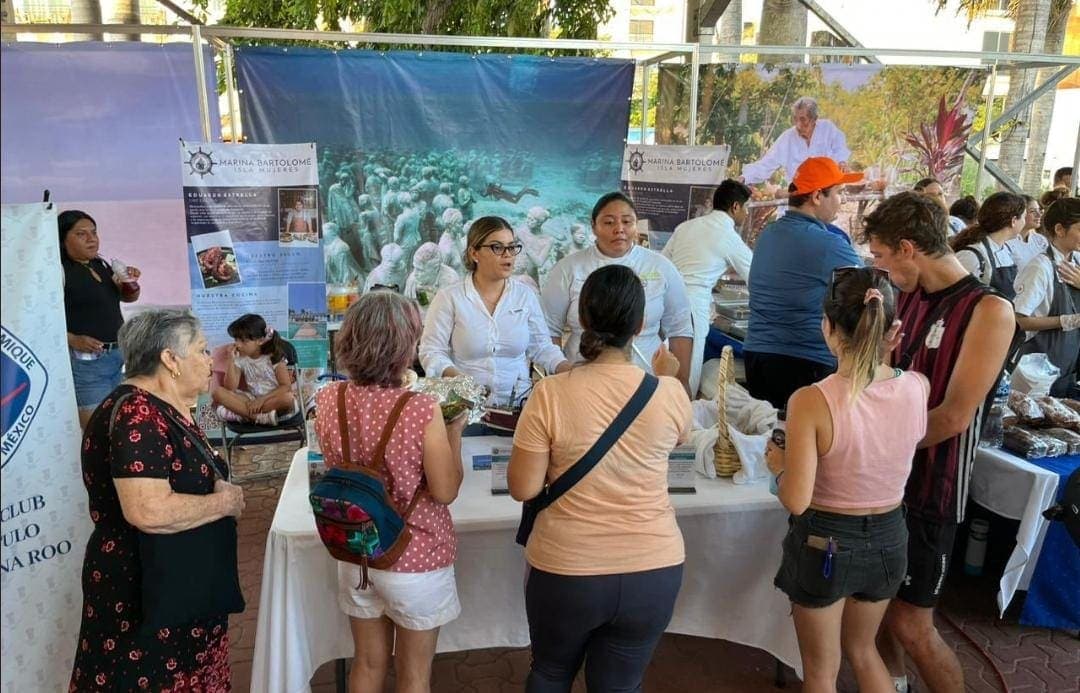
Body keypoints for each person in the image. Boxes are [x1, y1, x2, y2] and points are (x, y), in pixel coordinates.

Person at [509, 265, 692, 692]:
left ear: (582, 319)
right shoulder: (668, 392)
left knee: (552, 671)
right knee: (621, 685)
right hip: (654, 566)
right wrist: (667, 375)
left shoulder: (550, 394)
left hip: (567, 567)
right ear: (641, 325)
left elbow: (524, 487)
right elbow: (679, 433)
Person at [862, 192, 1016, 693]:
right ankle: (897, 683)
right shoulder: (900, 293)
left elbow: (952, 416)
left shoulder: (988, 310)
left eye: (881, 256)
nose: (878, 267)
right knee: (877, 608)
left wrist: (869, 444)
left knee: (913, 623)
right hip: (884, 484)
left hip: (932, 488)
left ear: (908, 248)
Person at [766, 267, 929, 693]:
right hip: (891, 537)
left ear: (827, 326)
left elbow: (796, 500)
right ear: (892, 329)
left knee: (821, 671)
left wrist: (779, 465)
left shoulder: (812, 399)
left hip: (827, 542)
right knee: (863, 651)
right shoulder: (918, 387)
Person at [70, 309, 245, 691]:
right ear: (170, 359)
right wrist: (224, 504)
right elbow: (147, 510)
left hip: (178, 590)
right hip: (145, 595)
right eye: (201, 350)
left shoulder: (164, 406)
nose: (208, 360)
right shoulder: (138, 413)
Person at [314, 291, 465, 693]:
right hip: (415, 557)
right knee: (414, 675)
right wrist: (455, 432)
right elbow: (445, 489)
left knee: (366, 663)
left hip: (356, 548)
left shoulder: (328, 398)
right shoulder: (421, 407)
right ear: (405, 345)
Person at [542, 192, 694, 393]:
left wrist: (680, 382)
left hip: (648, 378)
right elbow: (548, 328)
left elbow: (680, 325)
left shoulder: (661, 267)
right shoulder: (568, 269)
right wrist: (561, 377)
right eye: (609, 222)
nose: (619, 229)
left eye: (627, 221)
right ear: (593, 226)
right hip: (581, 378)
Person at [744, 157, 863, 410]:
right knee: (805, 445)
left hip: (757, 358)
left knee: (768, 441)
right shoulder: (830, 245)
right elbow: (869, 293)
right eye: (839, 193)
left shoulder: (768, 235)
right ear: (818, 196)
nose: (842, 201)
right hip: (806, 362)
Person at [420, 216, 570, 410]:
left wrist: (569, 371)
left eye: (512, 247)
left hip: (517, 408)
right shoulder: (449, 297)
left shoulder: (525, 296)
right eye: (497, 248)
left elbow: (542, 347)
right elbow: (431, 351)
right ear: (474, 253)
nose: (508, 255)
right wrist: (463, 382)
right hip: (463, 409)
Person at [662, 179, 754, 396]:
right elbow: (756, 276)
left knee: (665, 364)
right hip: (694, 306)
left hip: (667, 302)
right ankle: (685, 421)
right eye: (746, 207)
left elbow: (662, 265)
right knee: (689, 371)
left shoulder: (685, 227)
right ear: (735, 207)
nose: (747, 214)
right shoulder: (728, 235)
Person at [60, 210, 142, 428]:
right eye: (81, 234)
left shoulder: (101, 265)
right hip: (88, 364)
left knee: (122, 426)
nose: (91, 238)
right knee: (98, 431)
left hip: (118, 357)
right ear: (62, 239)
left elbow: (129, 297)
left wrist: (128, 282)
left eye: (94, 232)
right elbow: (43, 317)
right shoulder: (58, 271)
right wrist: (71, 339)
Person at [1012, 197, 1080, 397]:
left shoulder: (1076, 261)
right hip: (1035, 373)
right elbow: (1019, 320)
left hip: (1067, 367)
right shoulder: (1040, 267)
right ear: (1060, 229)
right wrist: (1066, 320)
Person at [741, 97, 851, 185]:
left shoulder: (827, 128)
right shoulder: (788, 137)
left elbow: (840, 147)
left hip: (824, 194)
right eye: (795, 119)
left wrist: (842, 162)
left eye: (803, 120)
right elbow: (766, 163)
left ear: (814, 119)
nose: (798, 125)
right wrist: (744, 178)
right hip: (798, 198)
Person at [212, 313, 297, 425]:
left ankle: (246, 414)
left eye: (243, 341)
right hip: (251, 400)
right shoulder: (240, 358)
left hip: (272, 400)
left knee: (288, 398)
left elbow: (286, 386)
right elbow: (230, 388)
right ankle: (257, 417)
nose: (238, 345)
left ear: (260, 341)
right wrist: (231, 361)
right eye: (236, 339)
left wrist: (261, 401)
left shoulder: (273, 356)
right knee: (218, 392)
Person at [950, 191, 1026, 299]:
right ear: (1013, 221)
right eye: (1024, 217)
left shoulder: (1006, 250)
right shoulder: (972, 255)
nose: (1024, 222)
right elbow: (955, 298)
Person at [404, 241, 460, 309]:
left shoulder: (451, 281)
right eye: (414, 267)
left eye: (421, 270)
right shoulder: (412, 280)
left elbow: (456, 311)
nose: (415, 273)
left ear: (435, 269)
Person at [1006, 195, 1049, 271]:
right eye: (1032, 211)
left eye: (1039, 210)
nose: (1039, 215)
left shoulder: (1041, 240)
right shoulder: (1007, 242)